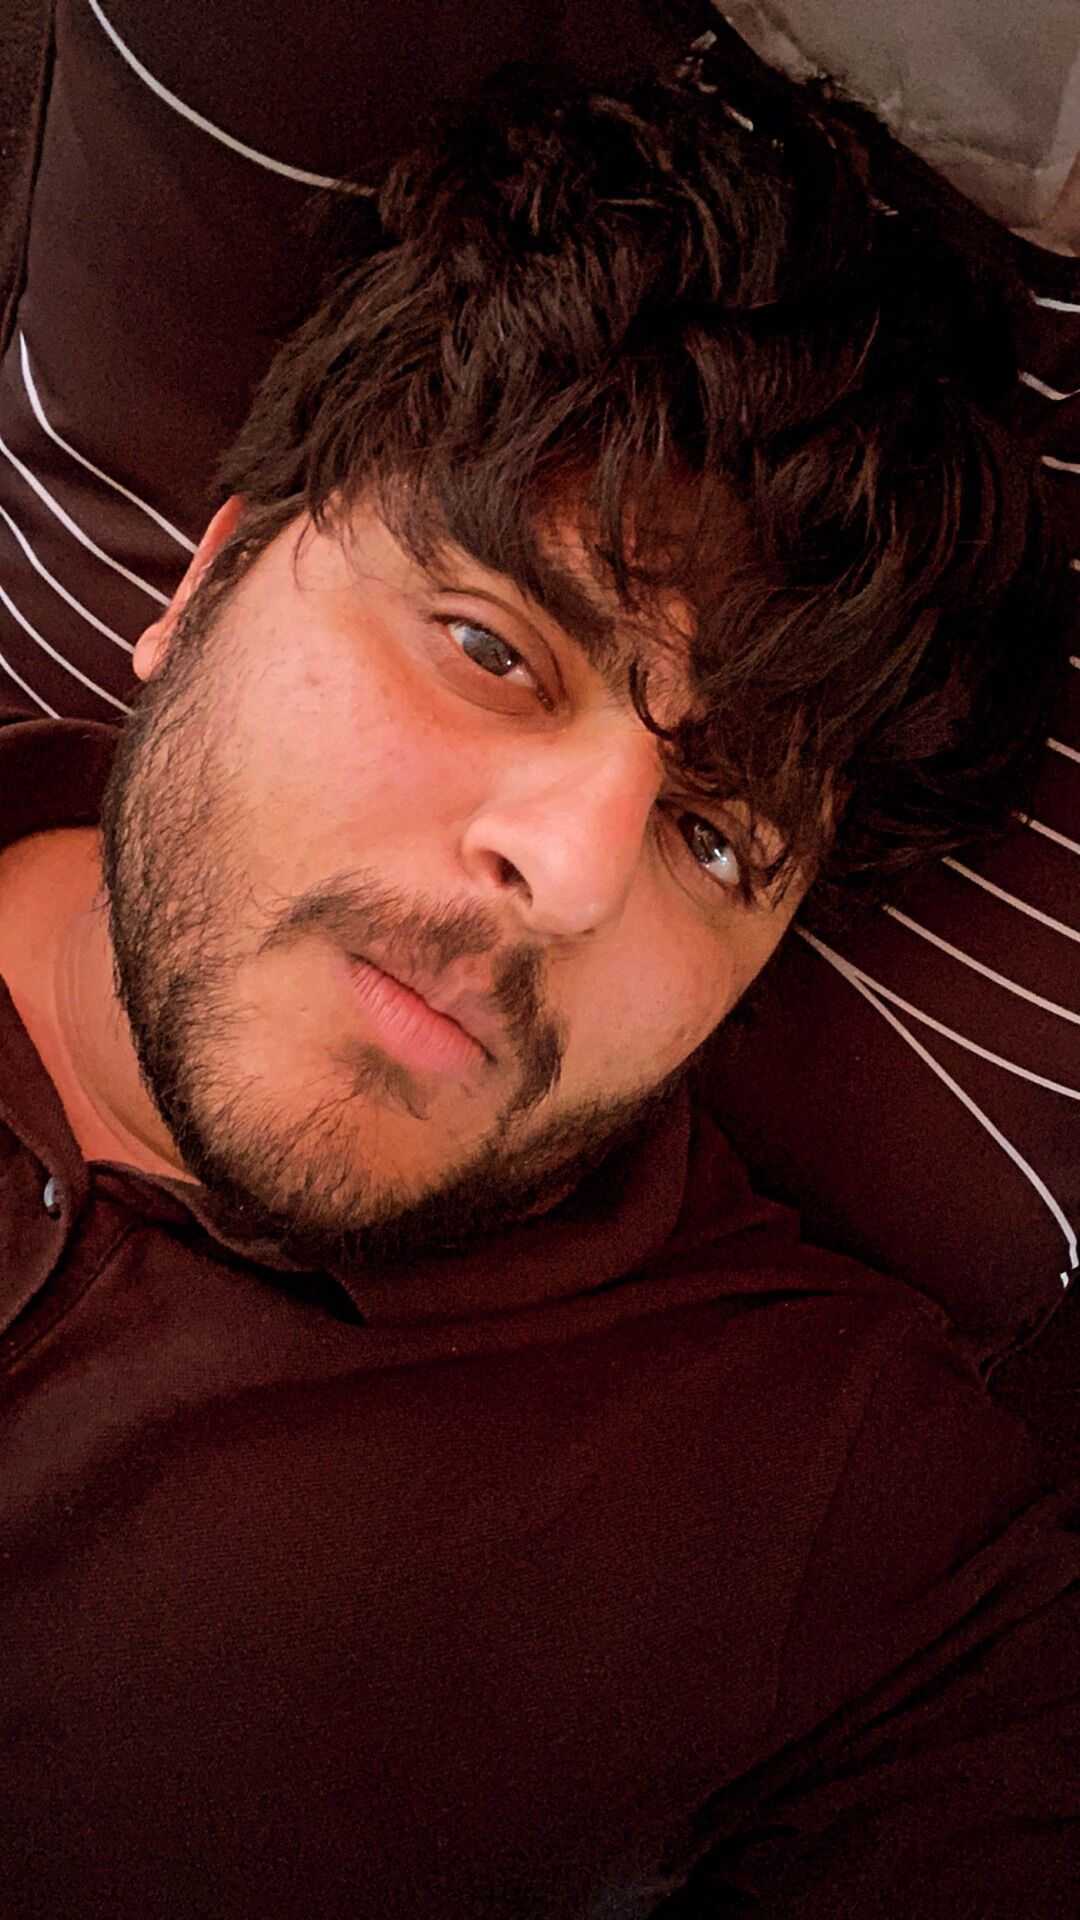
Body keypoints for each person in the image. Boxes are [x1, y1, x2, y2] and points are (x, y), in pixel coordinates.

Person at [0, 56, 1076, 1920]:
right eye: (492, 647)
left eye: (716, 844)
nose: (572, 878)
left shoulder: (828, 1511)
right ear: (212, 579)